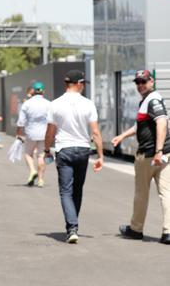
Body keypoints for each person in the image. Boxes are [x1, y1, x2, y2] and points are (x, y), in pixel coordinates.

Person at [44, 69, 104, 244]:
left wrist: (47, 149)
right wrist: (100, 155)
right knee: (77, 190)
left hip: (64, 149)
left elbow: (50, 132)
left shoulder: (55, 104)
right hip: (83, 150)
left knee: (65, 191)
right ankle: (73, 227)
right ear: (78, 84)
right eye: (83, 83)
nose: (84, 86)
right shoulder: (88, 104)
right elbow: (95, 132)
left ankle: (72, 228)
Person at [111, 69, 170, 244]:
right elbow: (141, 126)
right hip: (164, 154)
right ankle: (168, 232)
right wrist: (122, 136)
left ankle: (136, 229)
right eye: (137, 82)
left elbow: (161, 123)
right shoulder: (147, 101)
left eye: (143, 81)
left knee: (142, 194)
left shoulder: (153, 100)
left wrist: (158, 151)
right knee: (166, 193)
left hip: (150, 156)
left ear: (151, 81)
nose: (140, 85)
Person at [16, 81, 51, 187]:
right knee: (41, 155)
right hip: (44, 133)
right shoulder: (48, 104)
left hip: (31, 132)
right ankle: (40, 180)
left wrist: (19, 134)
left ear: (33, 91)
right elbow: (52, 121)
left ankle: (32, 170)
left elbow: (21, 121)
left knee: (28, 153)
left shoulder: (27, 104)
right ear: (43, 91)